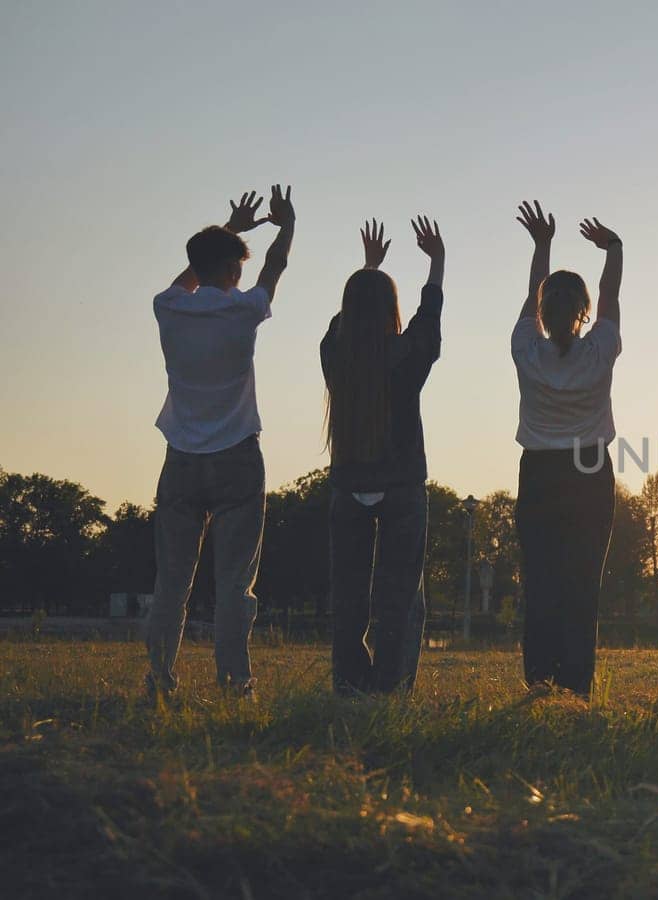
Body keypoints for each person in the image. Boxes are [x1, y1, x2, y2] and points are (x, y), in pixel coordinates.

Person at [146, 186, 295, 700]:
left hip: (181, 457)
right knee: (234, 584)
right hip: (235, 456)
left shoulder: (168, 307)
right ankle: (234, 684)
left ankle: (160, 680)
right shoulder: (244, 309)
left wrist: (231, 231)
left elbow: (189, 277)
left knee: (173, 582)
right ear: (234, 270)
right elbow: (274, 268)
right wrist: (287, 223)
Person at [321, 217, 445, 695]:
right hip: (402, 487)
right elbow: (427, 321)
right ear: (390, 307)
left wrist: (368, 268)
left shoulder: (335, 354)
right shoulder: (407, 357)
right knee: (399, 597)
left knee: (348, 595)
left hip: (348, 486)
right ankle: (390, 686)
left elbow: (340, 327)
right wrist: (436, 263)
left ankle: (350, 684)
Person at [511, 200, 623, 699]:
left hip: (539, 473)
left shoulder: (526, 349)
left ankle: (540, 681)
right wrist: (613, 248)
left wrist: (542, 245)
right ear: (583, 313)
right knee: (582, 586)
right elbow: (611, 295)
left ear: (542, 311)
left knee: (541, 583)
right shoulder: (600, 351)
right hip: (589, 470)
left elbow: (529, 302)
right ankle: (576, 687)